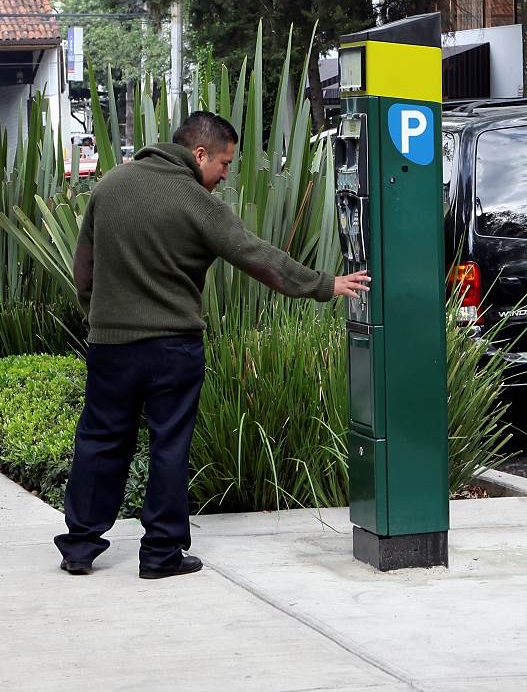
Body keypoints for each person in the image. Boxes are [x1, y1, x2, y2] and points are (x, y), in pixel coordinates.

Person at [54, 111, 369, 579]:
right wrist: (325, 283)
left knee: (100, 439)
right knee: (169, 446)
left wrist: (102, 317)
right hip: (172, 347)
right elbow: (257, 256)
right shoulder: (196, 202)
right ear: (198, 153)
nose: (224, 175)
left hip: (110, 344)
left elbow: (86, 269)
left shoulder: (111, 184)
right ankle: (160, 555)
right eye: (223, 163)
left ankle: (79, 547)